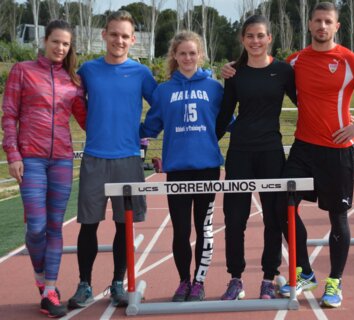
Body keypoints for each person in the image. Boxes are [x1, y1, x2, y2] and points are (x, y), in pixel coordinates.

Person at [273, 2, 354, 308]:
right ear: (309, 24)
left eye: (327, 21)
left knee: (337, 216)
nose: (321, 26)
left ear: (336, 27)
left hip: (338, 151)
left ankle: (335, 281)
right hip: (303, 148)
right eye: (317, 20)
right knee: (281, 207)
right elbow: (264, 72)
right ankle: (304, 272)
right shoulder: (295, 61)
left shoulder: (350, 60)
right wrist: (232, 69)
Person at [67, 11, 157, 309]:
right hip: (95, 159)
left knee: (124, 225)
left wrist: (145, 131)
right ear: (104, 35)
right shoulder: (88, 71)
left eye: (124, 36)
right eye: (114, 34)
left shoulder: (142, 73)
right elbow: (74, 103)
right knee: (89, 225)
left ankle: (118, 283)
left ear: (133, 40)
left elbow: (160, 105)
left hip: (128, 160)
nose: (119, 40)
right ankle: (84, 285)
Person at [1, 20, 86, 317]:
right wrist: (13, 154)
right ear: (45, 40)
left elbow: (87, 120)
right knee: (36, 228)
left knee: (55, 226)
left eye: (66, 44)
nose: (61, 48)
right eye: (56, 42)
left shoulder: (72, 81)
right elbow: (10, 115)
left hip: (62, 159)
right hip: (31, 158)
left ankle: (50, 288)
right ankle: (42, 280)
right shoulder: (22, 71)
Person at [216, 15, 297, 301]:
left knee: (274, 219)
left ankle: (268, 279)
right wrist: (207, 143)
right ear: (243, 39)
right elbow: (225, 113)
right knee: (234, 219)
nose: (255, 41)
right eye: (250, 36)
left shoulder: (284, 71)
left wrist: (340, 116)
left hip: (271, 153)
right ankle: (235, 279)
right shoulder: (234, 72)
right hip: (239, 153)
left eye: (260, 35)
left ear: (269, 38)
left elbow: (307, 104)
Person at [140, 31, 224, 302]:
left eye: (192, 53)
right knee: (180, 229)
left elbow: (232, 121)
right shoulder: (163, 91)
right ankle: (183, 282)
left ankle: (199, 283)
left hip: (207, 168)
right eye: (182, 53)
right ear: (174, 56)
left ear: (200, 55)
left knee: (204, 228)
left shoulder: (214, 88)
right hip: (177, 169)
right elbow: (149, 128)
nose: (188, 58)